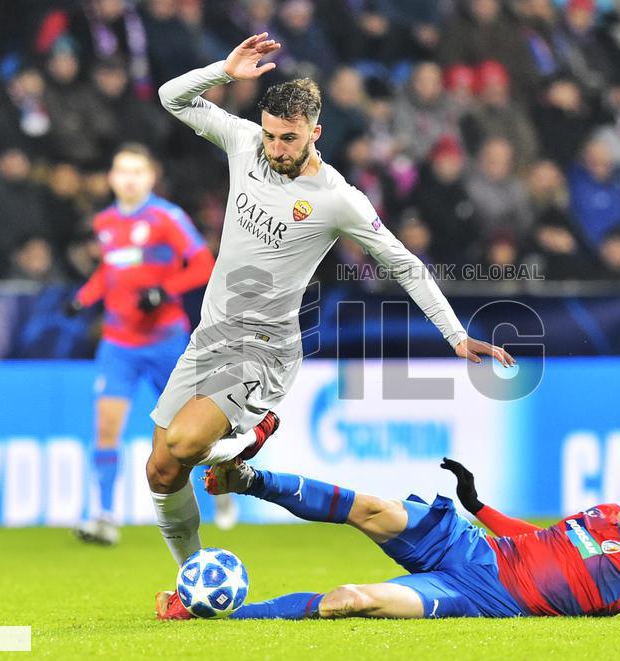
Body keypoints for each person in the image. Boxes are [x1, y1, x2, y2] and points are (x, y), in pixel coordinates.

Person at [150, 33, 513, 581]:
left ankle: (257, 430)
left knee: (185, 441)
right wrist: (223, 72)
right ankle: (192, 579)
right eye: (270, 135)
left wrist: (455, 335)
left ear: (315, 133)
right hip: (211, 333)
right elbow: (170, 97)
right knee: (160, 470)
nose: (275, 148)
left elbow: (402, 261)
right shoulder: (245, 143)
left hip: (262, 348)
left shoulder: (338, 199)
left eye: (288, 139)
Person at [156, 458, 620, 621]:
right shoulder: (607, 514)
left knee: (351, 600)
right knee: (370, 508)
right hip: (473, 546)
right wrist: (478, 505)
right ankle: (250, 479)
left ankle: (217, 618)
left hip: (477, 595)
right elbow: (543, 537)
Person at [64, 143, 219, 545]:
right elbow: (110, 272)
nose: (129, 178)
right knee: (106, 428)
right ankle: (105, 515)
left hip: (166, 341)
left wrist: (164, 291)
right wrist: (83, 297)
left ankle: (223, 491)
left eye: (137, 171)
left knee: (190, 433)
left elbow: (203, 265)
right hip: (118, 344)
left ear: (150, 177)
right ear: (112, 178)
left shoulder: (167, 218)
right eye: (122, 170)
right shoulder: (105, 222)